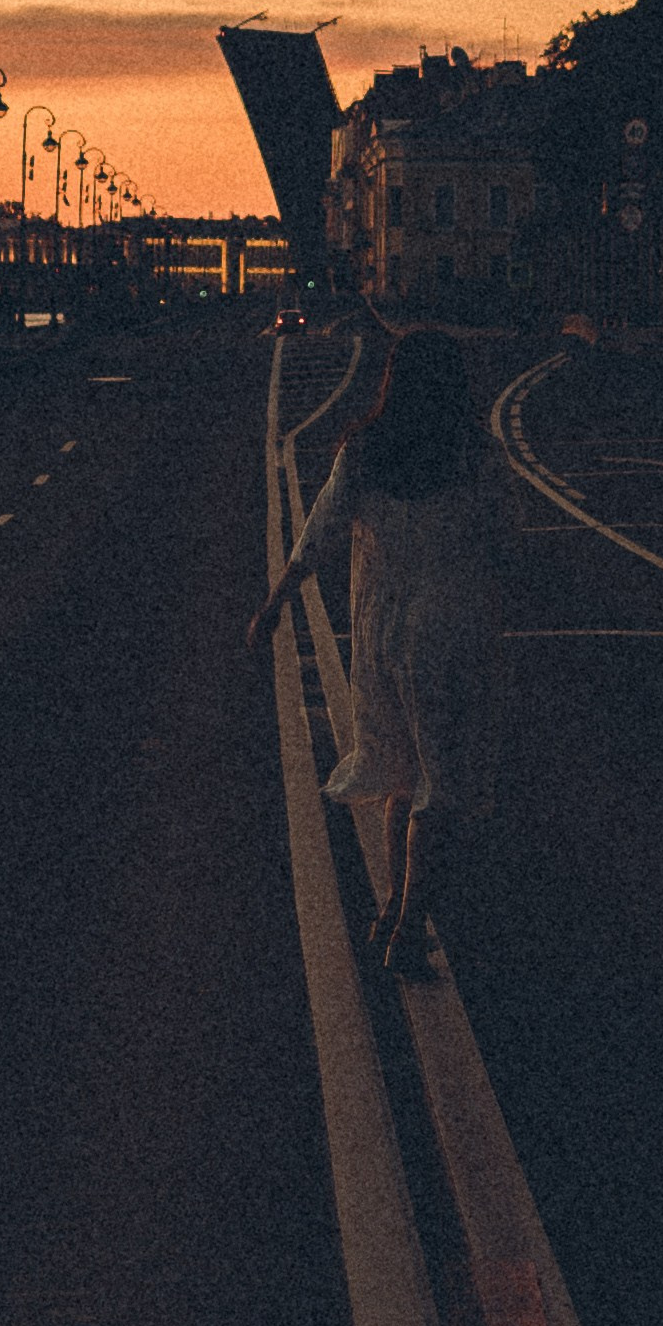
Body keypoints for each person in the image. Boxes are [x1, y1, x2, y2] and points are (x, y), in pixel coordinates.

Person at [248, 327, 504, 978]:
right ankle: (410, 927)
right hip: (449, 629)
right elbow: (508, 534)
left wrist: (274, 604)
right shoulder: (475, 453)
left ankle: (393, 908)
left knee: (397, 773)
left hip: (380, 630)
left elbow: (320, 531)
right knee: (439, 787)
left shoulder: (364, 451)